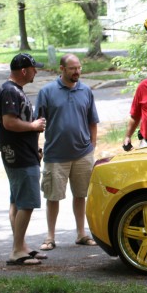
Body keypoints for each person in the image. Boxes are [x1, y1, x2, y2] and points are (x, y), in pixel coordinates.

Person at [35, 53, 100, 250]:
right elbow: (37, 123)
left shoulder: (86, 91)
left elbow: (92, 121)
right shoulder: (47, 92)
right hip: (56, 154)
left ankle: (81, 233)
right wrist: (36, 147)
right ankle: (50, 237)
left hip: (83, 154)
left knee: (81, 195)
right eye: (73, 68)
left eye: (79, 67)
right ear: (62, 69)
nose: (77, 72)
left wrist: (92, 145)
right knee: (53, 196)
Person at [0, 53, 47, 265]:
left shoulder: (14, 90)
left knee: (17, 201)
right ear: (24, 70)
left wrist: (35, 149)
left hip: (24, 152)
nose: (37, 71)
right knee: (26, 203)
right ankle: (17, 250)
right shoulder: (9, 91)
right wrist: (34, 126)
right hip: (19, 155)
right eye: (34, 68)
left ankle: (21, 245)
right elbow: (9, 122)